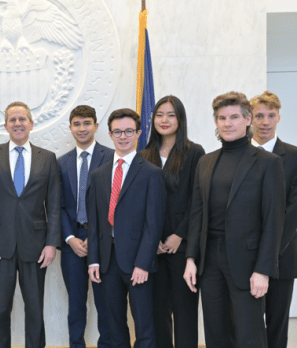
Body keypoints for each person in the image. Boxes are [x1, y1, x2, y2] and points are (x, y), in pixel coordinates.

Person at [184, 91, 285, 348]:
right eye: (221, 118)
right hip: (210, 261)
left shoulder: (268, 163)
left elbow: (273, 222)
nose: (227, 123)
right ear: (216, 122)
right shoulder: (206, 162)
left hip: (247, 261)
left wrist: (263, 270)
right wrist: (191, 259)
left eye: (234, 117)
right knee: (216, 332)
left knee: (250, 333)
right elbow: (197, 215)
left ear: (247, 119)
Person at [0, 101, 61, 348]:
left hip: (36, 246)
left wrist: (51, 244)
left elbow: (54, 205)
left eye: (22, 119)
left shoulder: (48, 158)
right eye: (12, 120)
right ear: (5, 126)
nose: (17, 123)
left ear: (31, 124)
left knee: (35, 311)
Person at [87, 108, 166, 348]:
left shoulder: (151, 173)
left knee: (144, 324)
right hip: (107, 261)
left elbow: (155, 224)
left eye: (128, 131)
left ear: (138, 133)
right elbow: (95, 222)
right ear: (110, 135)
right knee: (113, 324)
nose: (123, 136)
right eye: (118, 132)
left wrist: (143, 263)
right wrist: (93, 261)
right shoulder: (99, 175)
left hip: (137, 262)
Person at [138, 96, 204, 348]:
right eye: (159, 115)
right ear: (152, 119)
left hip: (183, 246)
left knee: (185, 312)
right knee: (157, 313)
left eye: (171, 115)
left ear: (180, 119)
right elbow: (139, 204)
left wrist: (180, 235)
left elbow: (198, 200)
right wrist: (152, 239)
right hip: (152, 247)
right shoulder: (144, 154)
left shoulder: (194, 152)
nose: (164, 120)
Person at [250, 91, 297, 348]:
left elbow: (294, 209)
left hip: (281, 255)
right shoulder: (236, 155)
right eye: (259, 116)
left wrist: (269, 255)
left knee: (277, 323)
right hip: (244, 254)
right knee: (246, 324)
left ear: (279, 117)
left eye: (271, 116)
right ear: (249, 118)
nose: (265, 122)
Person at [58, 105, 113, 348]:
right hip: (73, 242)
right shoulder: (61, 163)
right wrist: (69, 237)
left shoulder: (112, 157)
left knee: (105, 301)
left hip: (102, 240)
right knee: (76, 303)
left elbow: (117, 202)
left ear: (96, 126)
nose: (82, 128)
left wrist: (98, 234)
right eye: (77, 124)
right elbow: (56, 206)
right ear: (70, 128)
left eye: (87, 123)